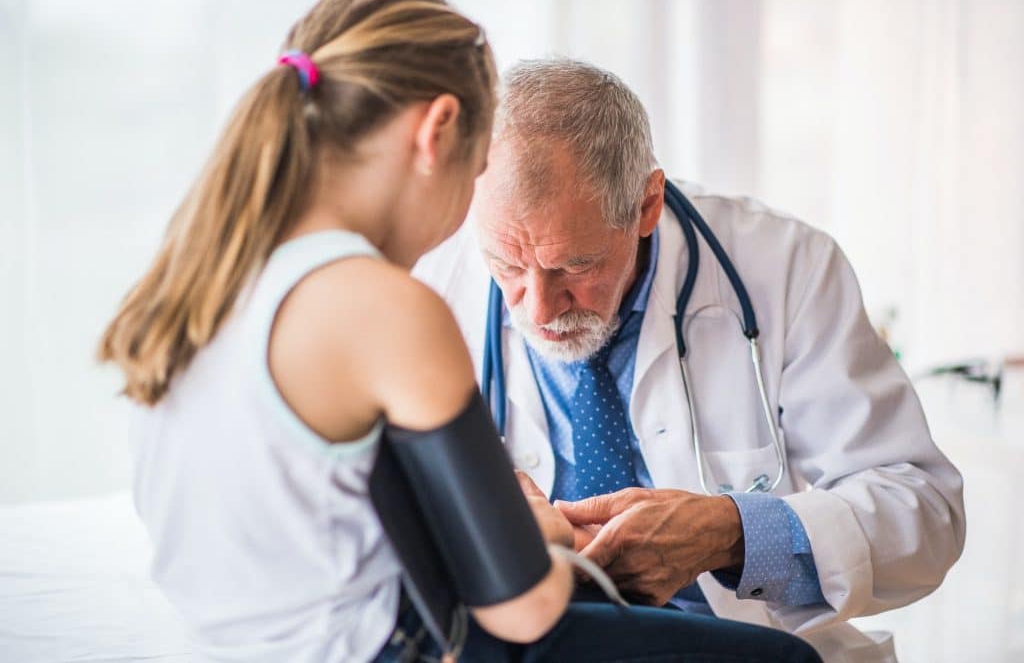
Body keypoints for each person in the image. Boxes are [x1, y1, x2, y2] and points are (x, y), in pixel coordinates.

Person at [98, 0, 821, 662]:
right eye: (477, 169)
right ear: (438, 131)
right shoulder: (384, 305)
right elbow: (524, 609)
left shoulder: (195, 282)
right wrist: (535, 526)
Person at [414, 58, 966, 662]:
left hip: (751, 645)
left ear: (648, 204)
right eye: (509, 267)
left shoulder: (786, 266)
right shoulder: (428, 285)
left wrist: (735, 533)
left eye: (576, 266)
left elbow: (924, 512)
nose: (539, 307)